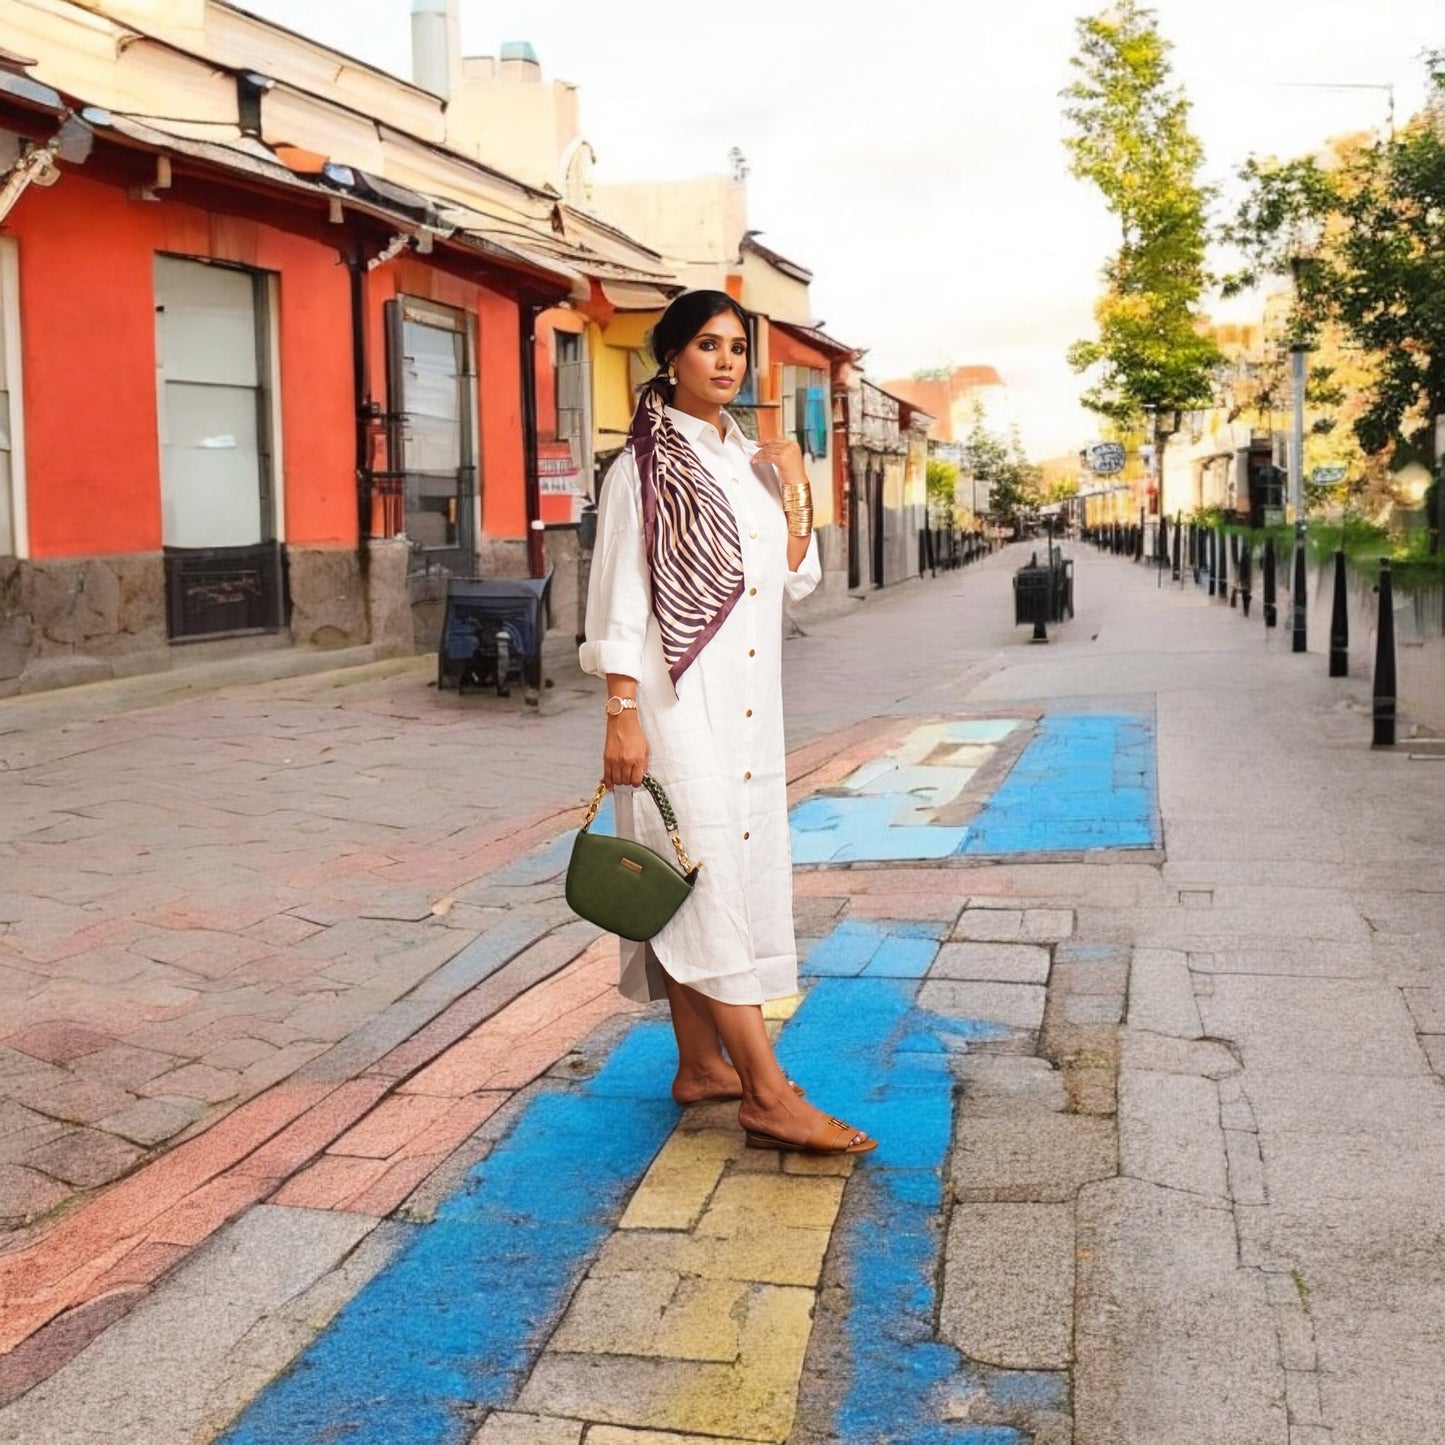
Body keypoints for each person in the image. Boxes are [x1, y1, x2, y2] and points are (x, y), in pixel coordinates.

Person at [579, 290, 876, 1157]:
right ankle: (765, 1092)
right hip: (672, 703)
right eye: (706, 345)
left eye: (736, 348)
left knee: (711, 870)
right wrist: (622, 714)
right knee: (703, 875)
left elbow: (792, 575)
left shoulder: (748, 459)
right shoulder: (641, 467)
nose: (726, 362)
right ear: (670, 357)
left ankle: (699, 1064)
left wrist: (796, 488)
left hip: (749, 703)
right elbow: (622, 599)